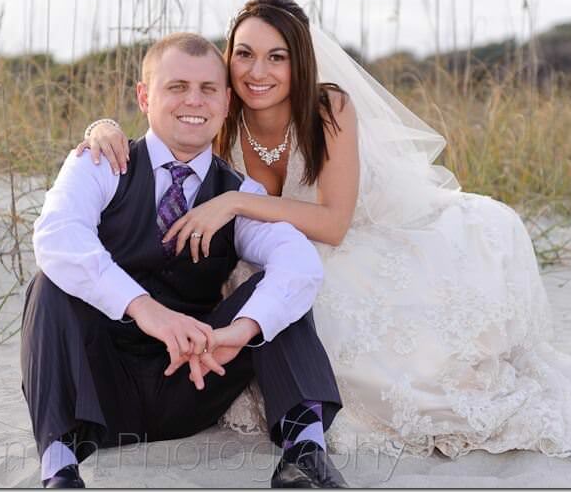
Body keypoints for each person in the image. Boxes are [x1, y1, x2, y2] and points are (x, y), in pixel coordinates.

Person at [78, 0, 571, 462]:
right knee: (256, 288)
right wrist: (102, 126)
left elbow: (336, 224)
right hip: (276, 246)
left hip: (358, 232)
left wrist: (236, 205)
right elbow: (165, 120)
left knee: (343, 305)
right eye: (243, 54)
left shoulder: (328, 107)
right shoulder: (220, 106)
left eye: (276, 56)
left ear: (299, 61)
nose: (256, 70)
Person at [21, 32, 347, 488]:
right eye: (177, 87)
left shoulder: (240, 194)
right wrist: (146, 310)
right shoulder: (99, 163)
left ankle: (304, 456)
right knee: (50, 282)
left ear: (227, 102)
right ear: (144, 96)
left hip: (192, 382)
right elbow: (57, 236)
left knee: (281, 292)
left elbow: (300, 262)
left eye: (208, 89)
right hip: (99, 393)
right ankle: (59, 471)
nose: (193, 100)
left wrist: (240, 331)